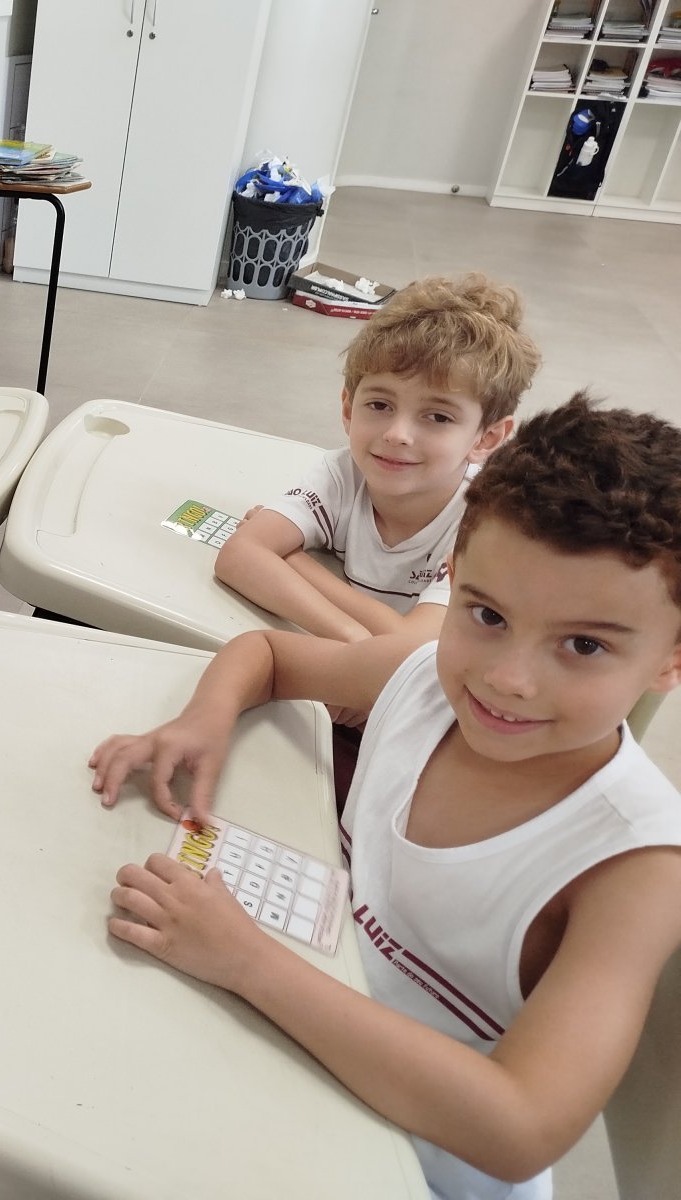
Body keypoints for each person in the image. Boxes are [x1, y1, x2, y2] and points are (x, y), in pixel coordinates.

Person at [90, 394, 681, 1199]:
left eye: (583, 644)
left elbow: (519, 1127)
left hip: (417, 1167)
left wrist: (247, 962)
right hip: (294, 1051)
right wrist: (204, 720)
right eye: (486, 614)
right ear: (452, 579)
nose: (508, 678)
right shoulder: (422, 679)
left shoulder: (639, 864)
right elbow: (267, 654)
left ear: (669, 661)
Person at [214, 274, 540, 645]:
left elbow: (411, 644)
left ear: (487, 438)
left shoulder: (484, 522)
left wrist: (293, 560)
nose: (397, 434)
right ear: (348, 409)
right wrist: (352, 637)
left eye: (438, 417)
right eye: (380, 405)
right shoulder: (341, 475)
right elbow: (239, 554)